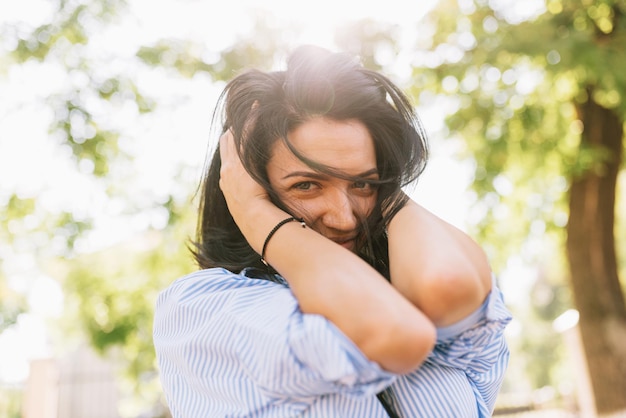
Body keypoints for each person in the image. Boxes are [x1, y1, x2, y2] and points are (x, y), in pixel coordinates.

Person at [153, 45, 511, 417]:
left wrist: (387, 191)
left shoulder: (414, 273)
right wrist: (254, 212)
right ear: (243, 184)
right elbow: (394, 334)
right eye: (306, 185)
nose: (344, 219)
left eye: (362, 185)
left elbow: (446, 286)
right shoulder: (202, 306)